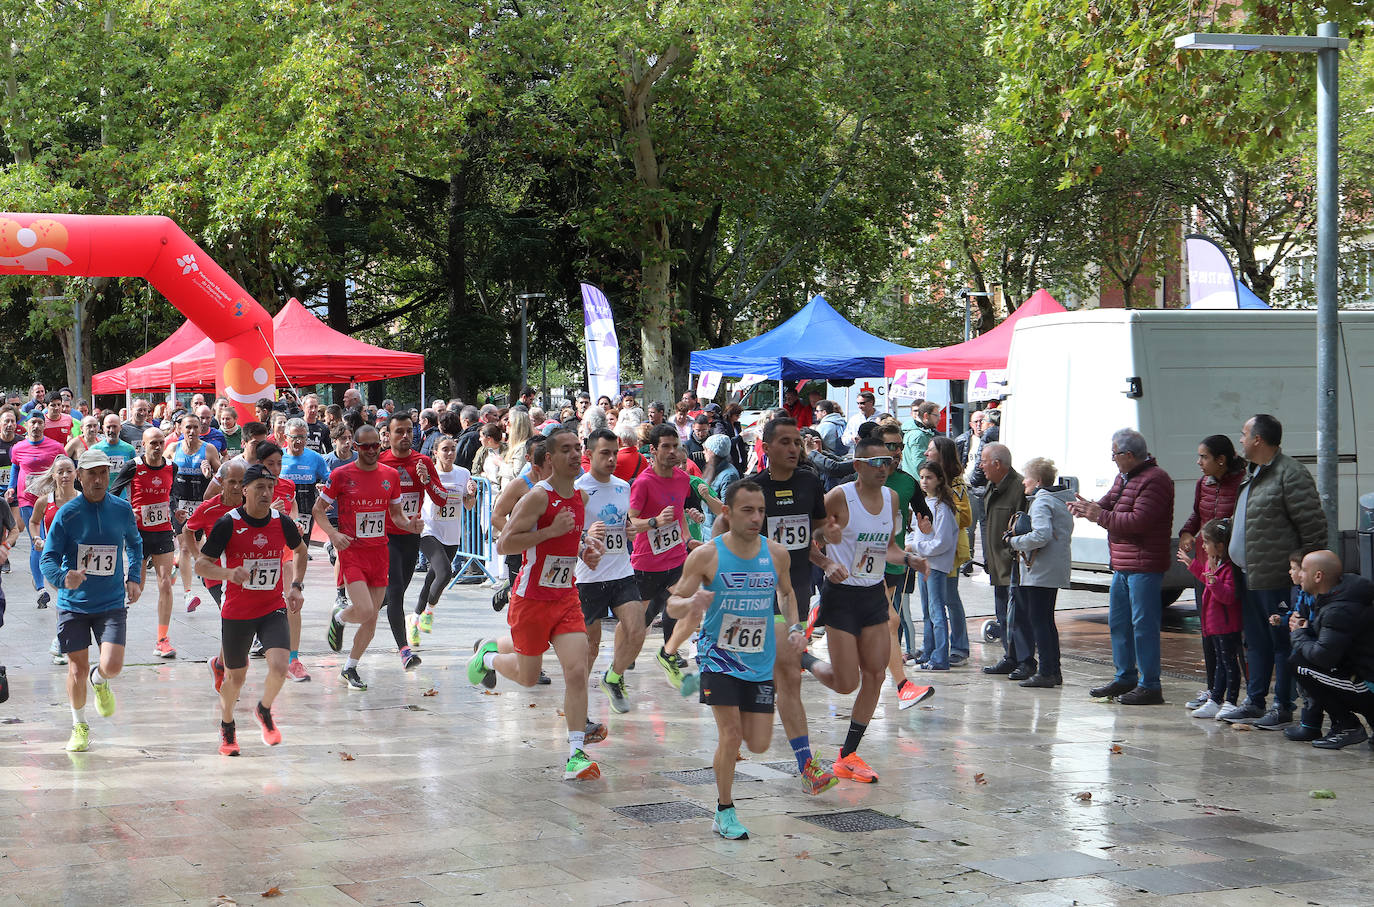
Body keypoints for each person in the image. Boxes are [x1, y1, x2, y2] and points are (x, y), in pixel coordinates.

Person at [469, 427, 609, 781]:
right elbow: (504, 545)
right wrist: (548, 532)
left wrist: (586, 552)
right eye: (567, 450)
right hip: (530, 599)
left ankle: (576, 752)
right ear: (550, 458)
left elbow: (571, 537)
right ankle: (487, 656)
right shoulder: (537, 497)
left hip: (565, 597)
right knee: (530, 678)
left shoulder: (581, 497)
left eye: (578, 448)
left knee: (577, 671)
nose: (576, 455)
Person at [667, 479, 803, 840]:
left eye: (761, 510)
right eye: (747, 510)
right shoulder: (707, 555)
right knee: (731, 734)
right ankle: (724, 810)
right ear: (726, 512)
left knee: (757, 743)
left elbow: (787, 595)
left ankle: (726, 797)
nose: (756, 517)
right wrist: (692, 603)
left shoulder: (776, 553)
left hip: (759, 662)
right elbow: (672, 603)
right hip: (718, 659)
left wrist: (795, 626)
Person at [805, 436, 930, 783]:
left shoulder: (891, 499)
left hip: (873, 593)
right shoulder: (839, 497)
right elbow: (808, 541)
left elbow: (886, 547)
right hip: (841, 595)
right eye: (876, 462)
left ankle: (848, 755)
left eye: (889, 462)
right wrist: (827, 563)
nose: (884, 468)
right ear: (858, 466)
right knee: (846, 683)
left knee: (875, 674)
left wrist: (908, 558)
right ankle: (803, 658)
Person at [1219, 414, 1328, 728]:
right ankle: (1254, 702)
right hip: (1247, 574)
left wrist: (1304, 574)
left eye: (1243, 434)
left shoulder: (1290, 474)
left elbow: (1312, 528)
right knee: (1255, 640)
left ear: (1258, 439)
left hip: (1277, 578)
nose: (1239, 440)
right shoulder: (1252, 472)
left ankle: (1282, 706)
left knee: (1281, 639)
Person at [196, 464, 308, 756]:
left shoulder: (281, 521)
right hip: (237, 611)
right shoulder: (228, 523)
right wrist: (227, 574)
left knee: (281, 666)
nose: (266, 493)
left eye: (270, 488)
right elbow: (202, 564)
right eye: (259, 487)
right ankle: (228, 726)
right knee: (236, 677)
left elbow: (300, 551)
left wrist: (295, 586)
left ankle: (264, 709)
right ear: (244, 490)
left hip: (272, 607)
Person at [39, 449, 143, 752]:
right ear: (80, 477)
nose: (98, 479)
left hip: (111, 601)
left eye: (103, 473)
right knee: (76, 669)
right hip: (74, 605)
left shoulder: (121, 509)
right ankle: (79, 724)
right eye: (91, 474)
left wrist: (134, 577)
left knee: (111, 665)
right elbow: (49, 558)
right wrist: (62, 579)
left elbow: (135, 545)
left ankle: (101, 681)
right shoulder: (67, 514)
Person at [1069, 428, 1175, 705]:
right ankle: (1125, 676)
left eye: (1114, 454)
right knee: (1119, 623)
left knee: (1143, 625)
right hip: (1123, 564)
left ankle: (1150, 684)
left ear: (1128, 455)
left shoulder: (1156, 480)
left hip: (1144, 564)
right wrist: (1087, 508)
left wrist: (1099, 515)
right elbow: (1108, 503)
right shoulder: (1124, 476)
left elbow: (1138, 522)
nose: (1112, 459)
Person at [316, 425, 421, 690]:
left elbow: (396, 516)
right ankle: (339, 618)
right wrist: (333, 534)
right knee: (364, 610)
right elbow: (319, 510)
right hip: (352, 551)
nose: (372, 451)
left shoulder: (390, 475)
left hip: (379, 552)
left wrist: (410, 525)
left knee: (371, 620)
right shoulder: (341, 475)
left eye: (376, 445)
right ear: (356, 448)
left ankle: (350, 668)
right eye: (366, 446)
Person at [576, 429, 646, 715]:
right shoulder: (579, 488)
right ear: (590, 455)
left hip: (621, 570)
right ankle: (578, 702)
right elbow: (567, 531)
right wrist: (585, 535)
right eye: (605, 453)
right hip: (589, 576)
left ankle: (613, 677)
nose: (612, 459)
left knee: (637, 629)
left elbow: (624, 523)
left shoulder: (623, 486)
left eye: (615, 453)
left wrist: (629, 529)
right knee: (591, 646)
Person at [378, 413, 448, 671]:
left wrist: (427, 482)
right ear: (389, 435)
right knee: (395, 591)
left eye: (409, 431)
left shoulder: (423, 462)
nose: (405, 436)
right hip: (385, 537)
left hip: (411, 537)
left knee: (392, 594)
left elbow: (441, 500)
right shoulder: (380, 461)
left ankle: (360, 608)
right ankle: (405, 650)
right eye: (399, 431)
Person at [628, 425, 696, 686]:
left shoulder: (682, 479)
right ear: (653, 450)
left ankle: (668, 652)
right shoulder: (643, 482)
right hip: (647, 562)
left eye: (675, 446)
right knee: (639, 624)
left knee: (686, 606)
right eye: (665, 446)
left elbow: (678, 515)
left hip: (676, 558)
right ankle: (622, 662)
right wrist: (655, 522)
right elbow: (632, 522)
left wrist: (688, 539)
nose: (672, 452)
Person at [1288, 549, 1374, 749]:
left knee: (1299, 665)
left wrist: (1298, 634)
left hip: (1368, 683)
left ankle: (1348, 727)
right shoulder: (1337, 596)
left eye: (1304, 570)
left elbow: (1323, 656)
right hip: (1361, 675)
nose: (1299, 574)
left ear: (1318, 576)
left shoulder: (1339, 609)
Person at [110, 427, 179, 659]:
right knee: (135, 591)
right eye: (153, 443)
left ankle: (162, 639)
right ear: (144, 445)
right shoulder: (134, 466)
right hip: (137, 535)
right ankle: (109, 628)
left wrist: (176, 511)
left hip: (162, 533)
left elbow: (173, 494)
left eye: (161, 442)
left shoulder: (171, 466)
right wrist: (128, 511)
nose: (158, 447)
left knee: (165, 585)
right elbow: (113, 492)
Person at [1005, 457, 1075, 688]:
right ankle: (1053, 670)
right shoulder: (1059, 500)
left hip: (1041, 570)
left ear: (1037, 480)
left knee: (1039, 621)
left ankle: (1046, 672)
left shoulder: (1042, 502)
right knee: (1046, 620)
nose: (1023, 482)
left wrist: (1014, 541)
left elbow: (1042, 535)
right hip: (1053, 568)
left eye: (1026, 477)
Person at [1176, 518, 1242, 717]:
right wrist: (1193, 564)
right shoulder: (1218, 563)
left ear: (1220, 546)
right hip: (1215, 624)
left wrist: (1213, 581)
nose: (1203, 547)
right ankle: (1215, 699)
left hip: (1226, 626)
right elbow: (1209, 579)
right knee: (1221, 663)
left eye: (1206, 543)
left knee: (1229, 664)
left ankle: (1230, 701)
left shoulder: (1230, 568)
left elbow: (1227, 596)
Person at [410, 436, 474, 641]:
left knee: (432, 578)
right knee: (446, 572)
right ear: (435, 453)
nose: (450, 453)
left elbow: (469, 505)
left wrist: (472, 494)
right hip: (429, 530)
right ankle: (429, 611)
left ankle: (413, 619)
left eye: (453, 449)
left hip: (451, 534)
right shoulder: (429, 474)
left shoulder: (463, 473)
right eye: (445, 449)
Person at [979, 442, 1033, 679]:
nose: (981, 466)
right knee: (1003, 614)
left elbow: (1023, 526)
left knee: (1018, 616)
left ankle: (1026, 661)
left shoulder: (1018, 487)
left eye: (984, 461)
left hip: (1013, 563)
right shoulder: (993, 485)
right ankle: (1010, 657)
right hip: (996, 563)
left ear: (997, 464)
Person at [168, 413, 222, 615]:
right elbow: (164, 472)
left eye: (195, 427)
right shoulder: (173, 448)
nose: (191, 431)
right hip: (180, 506)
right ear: (180, 429)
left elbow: (222, 477)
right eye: (188, 427)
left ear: (201, 429)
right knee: (184, 547)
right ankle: (188, 594)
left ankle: (179, 565)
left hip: (201, 507)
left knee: (196, 547)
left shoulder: (208, 449)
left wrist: (210, 474)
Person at [27, 456, 78, 664]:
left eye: (69, 471)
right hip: (53, 559)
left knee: (69, 600)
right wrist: (37, 538)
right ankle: (61, 640)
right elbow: (33, 522)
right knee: (66, 596)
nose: (65, 475)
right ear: (54, 475)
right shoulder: (44, 501)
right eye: (61, 472)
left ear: (76, 474)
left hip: (77, 559)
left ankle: (62, 639)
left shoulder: (82, 500)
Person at [13, 411, 68, 604]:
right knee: (37, 540)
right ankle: (40, 588)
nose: (36, 426)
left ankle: (57, 577)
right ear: (27, 425)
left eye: (39, 423)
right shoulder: (18, 448)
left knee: (53, 540)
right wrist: (12, 487)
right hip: (27, 500)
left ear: (44, 425)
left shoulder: (55, 447)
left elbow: (65, 468)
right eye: (33, 423)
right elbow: (16, 467)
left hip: (51, 501)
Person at [908, 462, 957, 672]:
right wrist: (909, 545)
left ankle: (940, 657)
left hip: (936, 565)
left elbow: (942, 542)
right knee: (928, 611)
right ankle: (928, 651)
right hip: (923, 564)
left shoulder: (942, 508)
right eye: (922, 477)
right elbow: (914, 530)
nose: (924, 481)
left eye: (929, 477)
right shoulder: (923, 504)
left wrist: (916, 547)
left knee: (937, 612)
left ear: (939, 480)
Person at [181, 460, 249, 611]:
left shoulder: (250, 506)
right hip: (216, 574)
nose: (237, 487)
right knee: (229, 610)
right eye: (232, 482)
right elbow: (187, 529)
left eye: (241, 482)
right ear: (222, 483)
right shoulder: (209, 508)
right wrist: (197, 557)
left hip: (244, 571)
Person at [701, 434, 738, 535]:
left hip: (719, 534)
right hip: (707, 530)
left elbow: (727, 511)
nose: (703, 452)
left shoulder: (729, 475)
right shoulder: (711, 470)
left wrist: (707, 496)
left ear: (713, 452)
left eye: (706, 449)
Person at [900, 401, 939, 479]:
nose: (939, 418)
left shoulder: (913, 431)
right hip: (918, 482)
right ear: (926, 416)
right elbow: (920, 464)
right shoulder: (919, 435)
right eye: (936, 415)